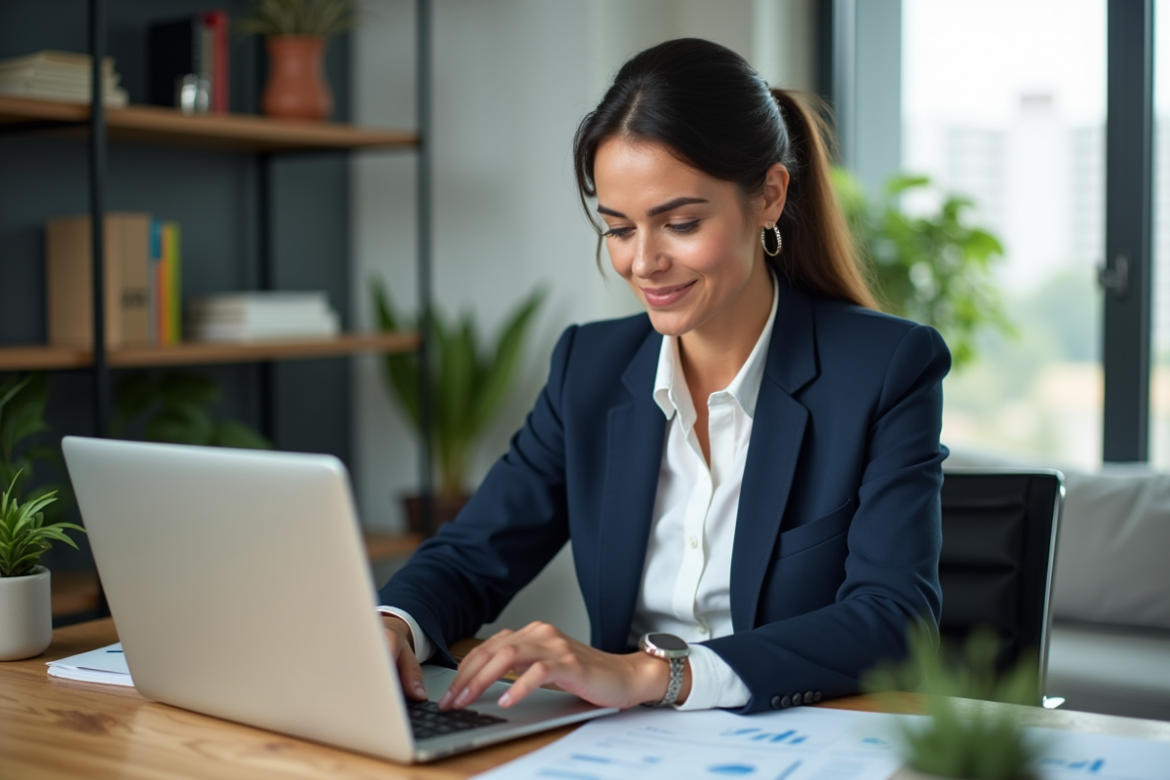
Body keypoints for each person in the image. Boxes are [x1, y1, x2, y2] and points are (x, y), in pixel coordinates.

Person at [376, 38, 949, 714]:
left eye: (679, 223)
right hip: (620, 749)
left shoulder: (885, 368)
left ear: (769, 196)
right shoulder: (587, 368)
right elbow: (473, 555)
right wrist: (394, 625)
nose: (643, 263)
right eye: (618, 229)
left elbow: (894, 621)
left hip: (796, 738)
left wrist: (656, 675)